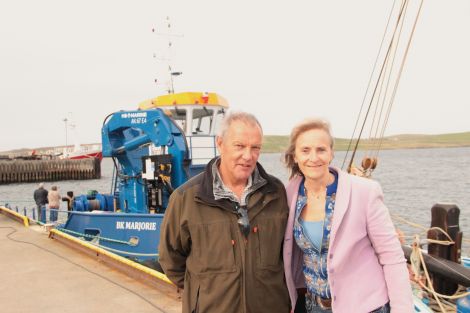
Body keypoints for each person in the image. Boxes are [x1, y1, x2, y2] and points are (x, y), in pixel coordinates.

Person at [159, 111, 290, 313]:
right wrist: (205, 292)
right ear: (220, 144)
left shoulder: (276, 193)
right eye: (239, 146)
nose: (248, 156)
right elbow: (171, 260)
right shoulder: (186, 199)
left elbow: (287, 253)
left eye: (255, 148)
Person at [282, 118, 413, 313]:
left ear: (331, 153)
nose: (314, 157)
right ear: (295, 156)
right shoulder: (289, 194)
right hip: (313, 307)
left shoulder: (364, 192)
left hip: (365, 307)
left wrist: (402, 309)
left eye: (321, 149)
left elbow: (392, 256)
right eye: (305, 150)